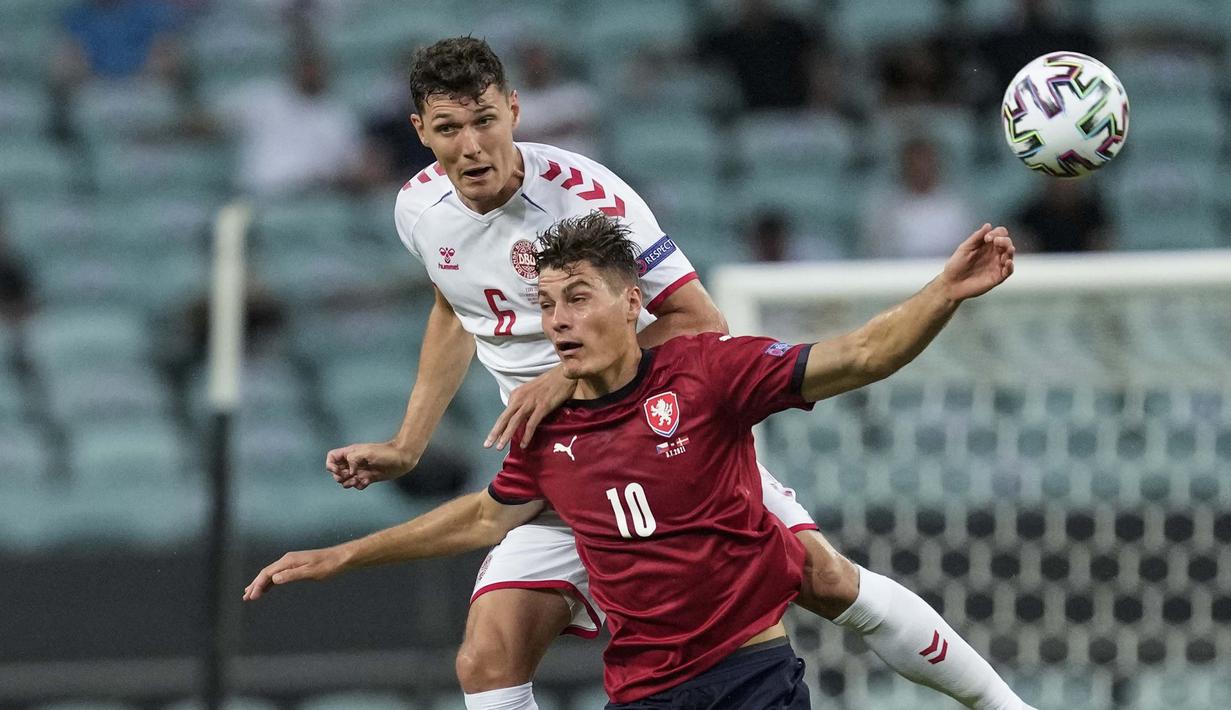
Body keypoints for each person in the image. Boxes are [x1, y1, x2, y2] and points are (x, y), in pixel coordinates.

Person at [316, 36, 1029, 710]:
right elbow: (456, 305)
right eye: (448, 129)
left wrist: (562, 380)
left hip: (651, 430)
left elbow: (698, 317)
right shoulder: (418, 209)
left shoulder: (588, 197)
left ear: (513, 111)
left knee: (825, 578)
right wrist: (410, 441)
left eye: (483, 121)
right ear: (420, 130)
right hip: (555, 466)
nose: (470, 147)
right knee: (485, 660)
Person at [245, 214, 1028, 709]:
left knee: (824, 575)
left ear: (631, 304)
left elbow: (858, 355)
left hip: (747, 677)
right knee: (485, 652)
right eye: (547, 304)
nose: (557, 320)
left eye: (577, 297)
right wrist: (343, 553)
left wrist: (943, 293)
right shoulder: (542, 430)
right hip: (643, 694)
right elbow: (488, 515)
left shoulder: (707, 372)